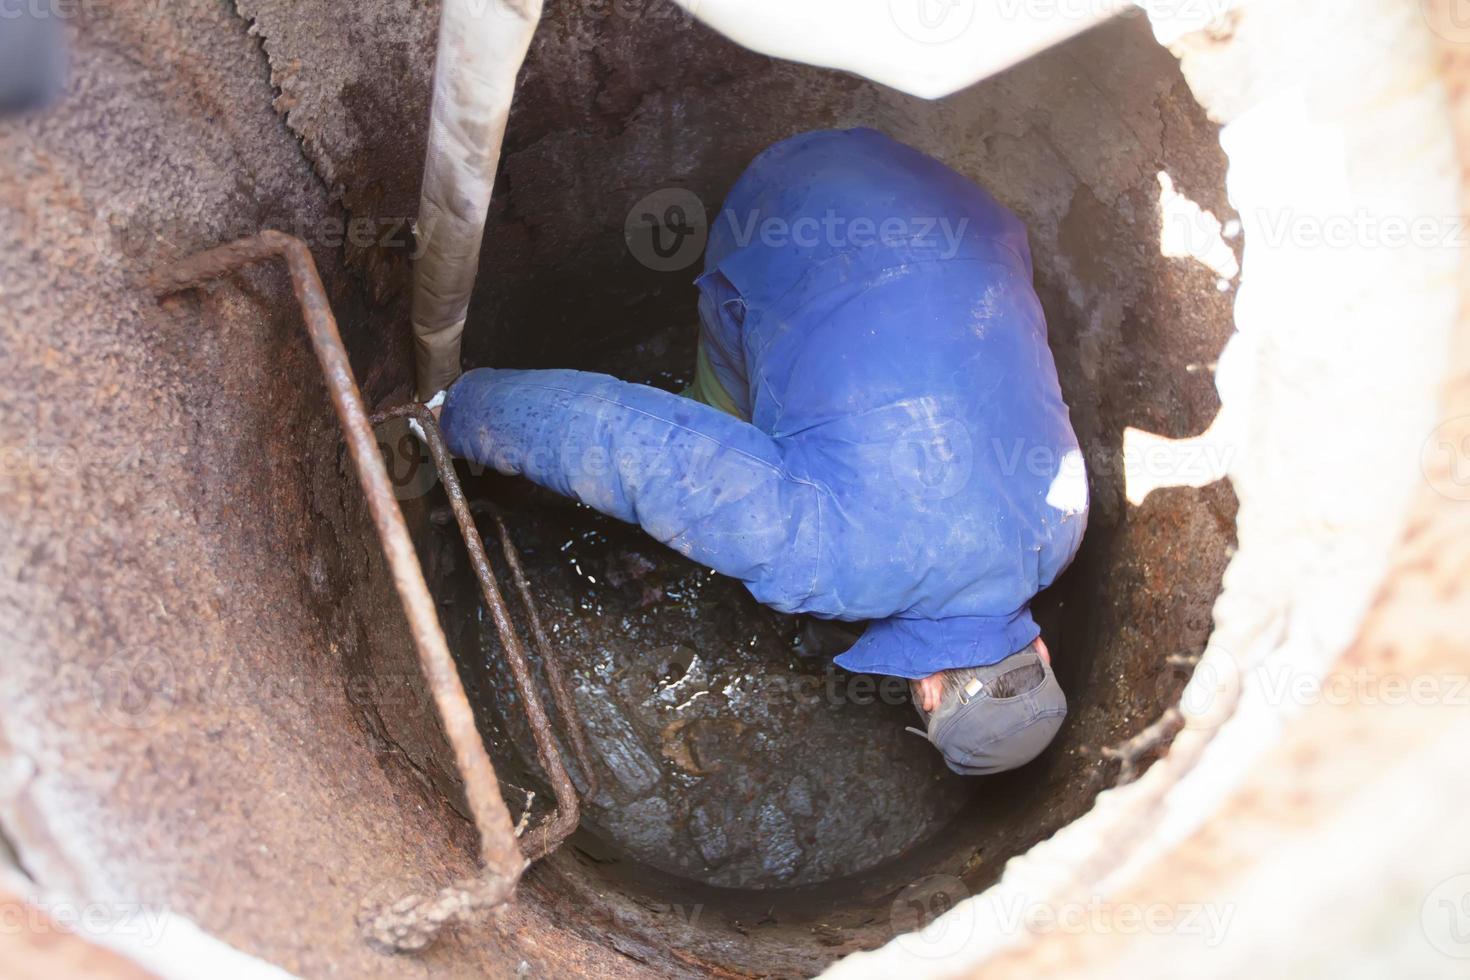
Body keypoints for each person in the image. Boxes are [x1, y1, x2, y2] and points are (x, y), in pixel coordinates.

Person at [432, 128, 1087, 775]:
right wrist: (455, 412)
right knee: (725, 414)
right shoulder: (823, 558)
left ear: (1042, 653)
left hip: (951, 204)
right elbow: (630, 443)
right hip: (795, 201)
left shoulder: (1066, 525)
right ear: (931, 692)